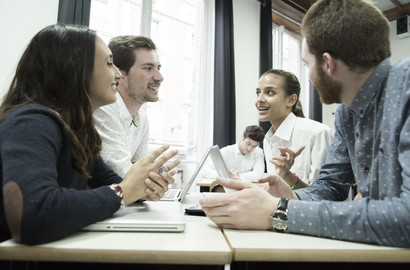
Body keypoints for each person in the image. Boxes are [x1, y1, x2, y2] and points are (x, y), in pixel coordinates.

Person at [200, 0, 410, 248]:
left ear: (327, 63)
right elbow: (332, 184)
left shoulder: (405, 88)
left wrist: (281, 212)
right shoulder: (346, 112)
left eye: (307, 63)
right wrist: (292, 196)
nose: (309, 77)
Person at [0, 24, 179, 245]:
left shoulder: (76, 132)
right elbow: (31, 214)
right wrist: (124, 192)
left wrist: (144, 188)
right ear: (74, 69)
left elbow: (112, 182)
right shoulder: (32, 122)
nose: (116, 74)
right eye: (108, 63)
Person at [93, 35, 163, 177]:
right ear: (119, 74)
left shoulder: (142, 119)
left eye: (158, 68)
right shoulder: (103, 108)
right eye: (148, 68)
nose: (159, 77)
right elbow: (121, 173)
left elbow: (140, 172)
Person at [257, 69, 334, 188]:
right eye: (258, 93)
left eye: (270, 92)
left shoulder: (317, 133)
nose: (259, 100)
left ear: (291, 100)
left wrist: (288, 176)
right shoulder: (268, 139)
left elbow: (322, 195)